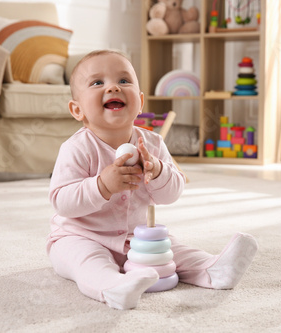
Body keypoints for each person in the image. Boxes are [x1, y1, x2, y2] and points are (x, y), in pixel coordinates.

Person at [47, 49, 258, 310]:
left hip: (139, 238)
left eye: (124, 81)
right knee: (87, 261)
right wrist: (102, 186)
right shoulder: (77, 148)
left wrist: (157, 172)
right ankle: (113, 286)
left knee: (174, 251)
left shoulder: (153, 143)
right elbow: (61, 201)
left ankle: (214, 269)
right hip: (80, 237)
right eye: (97, 82)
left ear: (141, 101)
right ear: (77, 109)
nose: (113, 87)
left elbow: (172, 193)